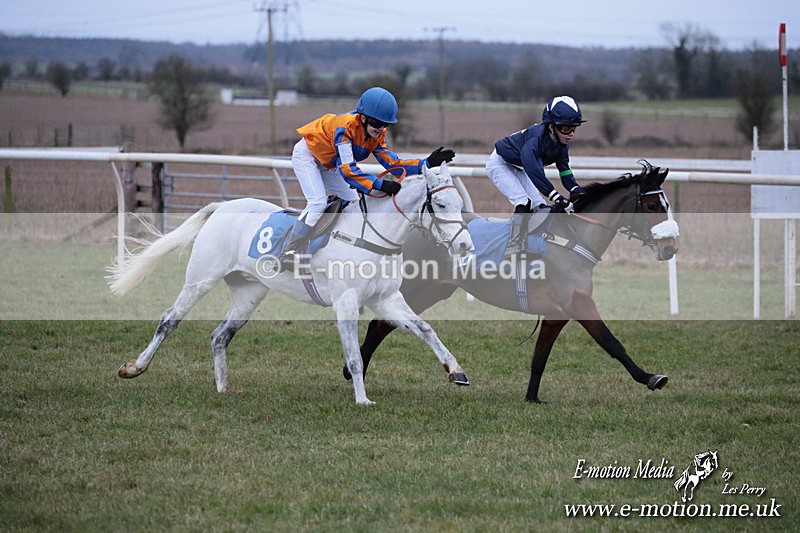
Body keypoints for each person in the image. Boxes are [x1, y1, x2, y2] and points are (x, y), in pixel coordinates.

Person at [278, 86, 455, 270]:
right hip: (307, 156)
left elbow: (393, 164)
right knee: (317, 203)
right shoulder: (345, 129)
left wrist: (427, 163)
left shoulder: (377, 134)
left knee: (354, 203)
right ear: (363, 118)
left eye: (385, 125)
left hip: (329, 162)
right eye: (377, 123)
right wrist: (379, 184)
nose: (381, 129)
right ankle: (289, 251)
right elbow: (349, 170)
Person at [485, 95, 586, 259]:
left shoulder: (561, 145)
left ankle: (533, 244)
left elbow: (564, 170)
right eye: (566, 129)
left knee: (540, 206)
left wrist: (575, 189)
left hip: (519, 166)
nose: (571, 134)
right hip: (500, 163)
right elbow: (535, 172)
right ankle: (513, 247)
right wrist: (557, 197)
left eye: (574, 128)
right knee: (523, 202)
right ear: (551, 127)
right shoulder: (535, 139)